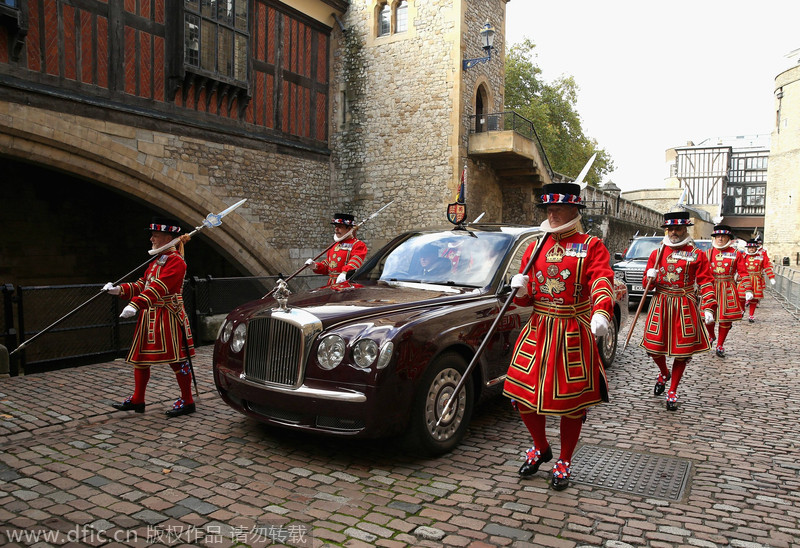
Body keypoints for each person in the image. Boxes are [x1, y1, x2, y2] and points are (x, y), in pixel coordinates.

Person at [502, 182, 615, 491]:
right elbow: (526, 298)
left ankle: (564, 458)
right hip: (538, 328)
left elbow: (602, 278)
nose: (551, 214)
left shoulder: (590, 245)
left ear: (573, 210)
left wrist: (602, 311)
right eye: (547, 209)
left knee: (571, 402)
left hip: (572, 330)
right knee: (521, 394)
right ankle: (541, 446)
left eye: (557, 209)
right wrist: (521, 289)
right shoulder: (536, 246)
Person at [104, 217, 197, 417]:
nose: (151, 238)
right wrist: (119, 290)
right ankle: (138, 399)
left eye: (155, 235)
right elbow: (142, 284)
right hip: (150, 315)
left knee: (177, 359)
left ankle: (188, 400)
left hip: (168, 316)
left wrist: (135, 304)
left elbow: (160, 288)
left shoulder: (176, 262)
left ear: (167, 237)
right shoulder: (157, 260)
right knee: (140, 359)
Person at [640, 211, 716, 411]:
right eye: (670, 228)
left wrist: (708, 306)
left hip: (684, 305)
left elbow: (707, 281)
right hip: (661, 303)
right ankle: (664, 372)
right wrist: (650, 277)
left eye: (678, 228)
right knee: (653, 348)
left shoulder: (697, 254)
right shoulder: (657, 254)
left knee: (682, 352)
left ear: (685, 229)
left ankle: (672, 390)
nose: (674, 232)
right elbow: (647, 285)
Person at [704, 224, 748, 358]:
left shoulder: (736, 254)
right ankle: (711, 336)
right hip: (711, 287)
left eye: (723, 236)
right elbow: (701, 272)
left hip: (728, 288)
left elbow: (743, 273)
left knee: (725, 320)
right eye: (717, 236)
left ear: (729, 238)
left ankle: (720, 345)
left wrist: (748, 289)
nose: (720, 238)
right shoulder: (708, 253)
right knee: (707, 317)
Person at [306, 213, 368, 286]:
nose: (336, 229)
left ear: (349, 229)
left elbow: (354, 263)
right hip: (331, 284)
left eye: (340, 227)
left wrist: (345, 273)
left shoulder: (358, 245)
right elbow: (328, 264)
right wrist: (315, 266)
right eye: (335, 226)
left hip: (346, 283)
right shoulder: (334, 245)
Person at [738, 238, 775, 322]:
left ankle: (751, 315)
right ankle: (742, 309)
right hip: (745, 278)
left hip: (756, 280)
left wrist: (771, 277)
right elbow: (738, 266)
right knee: (741, 297)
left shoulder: (761, 257)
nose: (751, 249)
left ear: (756, 248)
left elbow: (767, 266)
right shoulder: (743, 256)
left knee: (754, 299)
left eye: (753, 248)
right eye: (749, 248)